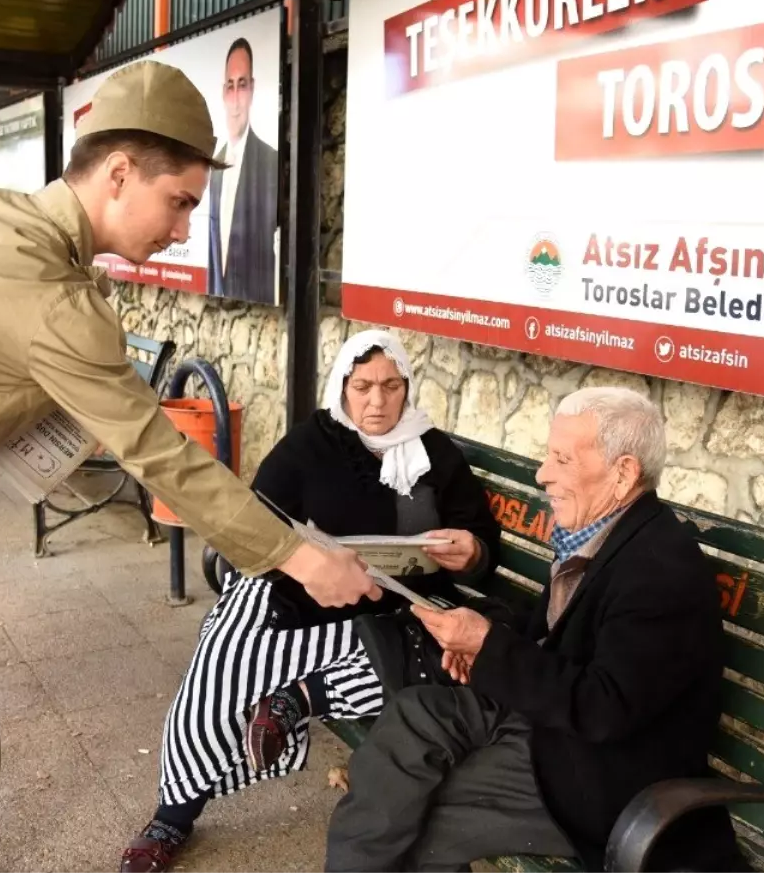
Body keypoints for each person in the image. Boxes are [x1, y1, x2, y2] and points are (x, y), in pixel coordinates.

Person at [0, 59, 380, 873]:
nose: (180, 230)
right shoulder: (51, 296)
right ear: (119, 173)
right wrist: (300, 556)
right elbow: (163, 455)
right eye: (178, 203)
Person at [120, 329, 502, 873]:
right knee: (224, 659)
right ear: (343, 385)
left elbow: (482, 539)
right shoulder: (312, 442)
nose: (377, 401)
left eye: (391, 386)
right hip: (294, 593)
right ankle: (173, 814)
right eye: (364, 386)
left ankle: (298, 699)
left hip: (388, 611)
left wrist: (473, 551)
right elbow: (255, 519)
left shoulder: (433, 451)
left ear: (406, 387)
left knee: (416, 659)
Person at [324, 387, 746, 873]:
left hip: (599, 774)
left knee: (423, 818)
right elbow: (554, 637)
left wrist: (490, 648)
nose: (543, 473)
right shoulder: (601, 532)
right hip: (549, 720)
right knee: (414, 715)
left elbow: (602, 709)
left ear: (623, 473)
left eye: (562, 459)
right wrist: (481, 643)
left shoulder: (659, 570)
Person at [206, 37, 278, 304]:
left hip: (256, 306)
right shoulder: (214, 166)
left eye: (243, 85)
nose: (236, 99)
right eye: (230, 86)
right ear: (223, 92)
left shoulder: (270, 162)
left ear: (253, 90)